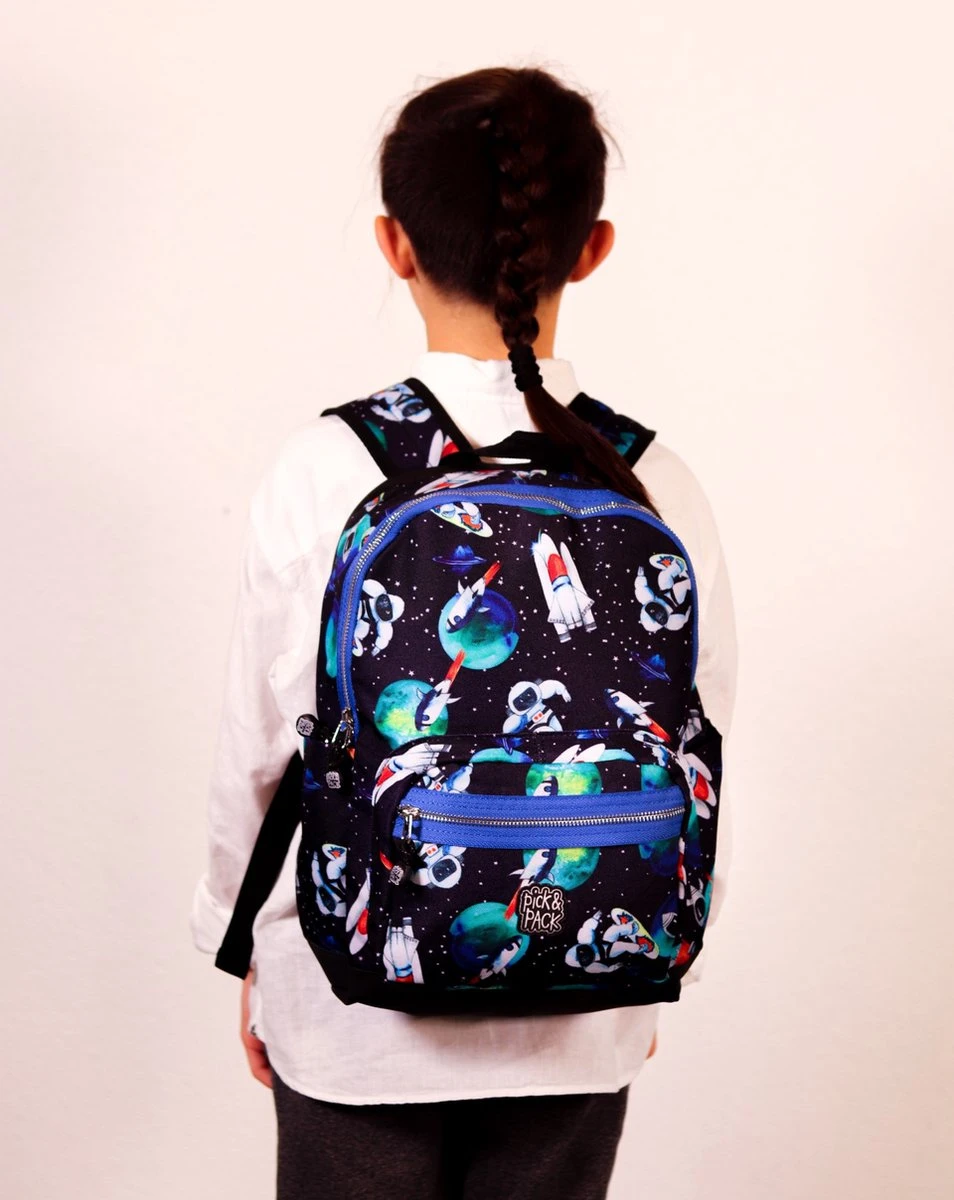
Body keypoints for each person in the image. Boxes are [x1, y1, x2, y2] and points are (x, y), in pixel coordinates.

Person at [191, 65, 738, 1200]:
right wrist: (636, 940)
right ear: (593, 248)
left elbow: (260, 749)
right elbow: (704, 734)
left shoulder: (327, 469)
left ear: (394, 244)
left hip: (356, 1003)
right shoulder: (653, 478)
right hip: (586, 988)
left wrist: (246, 942)